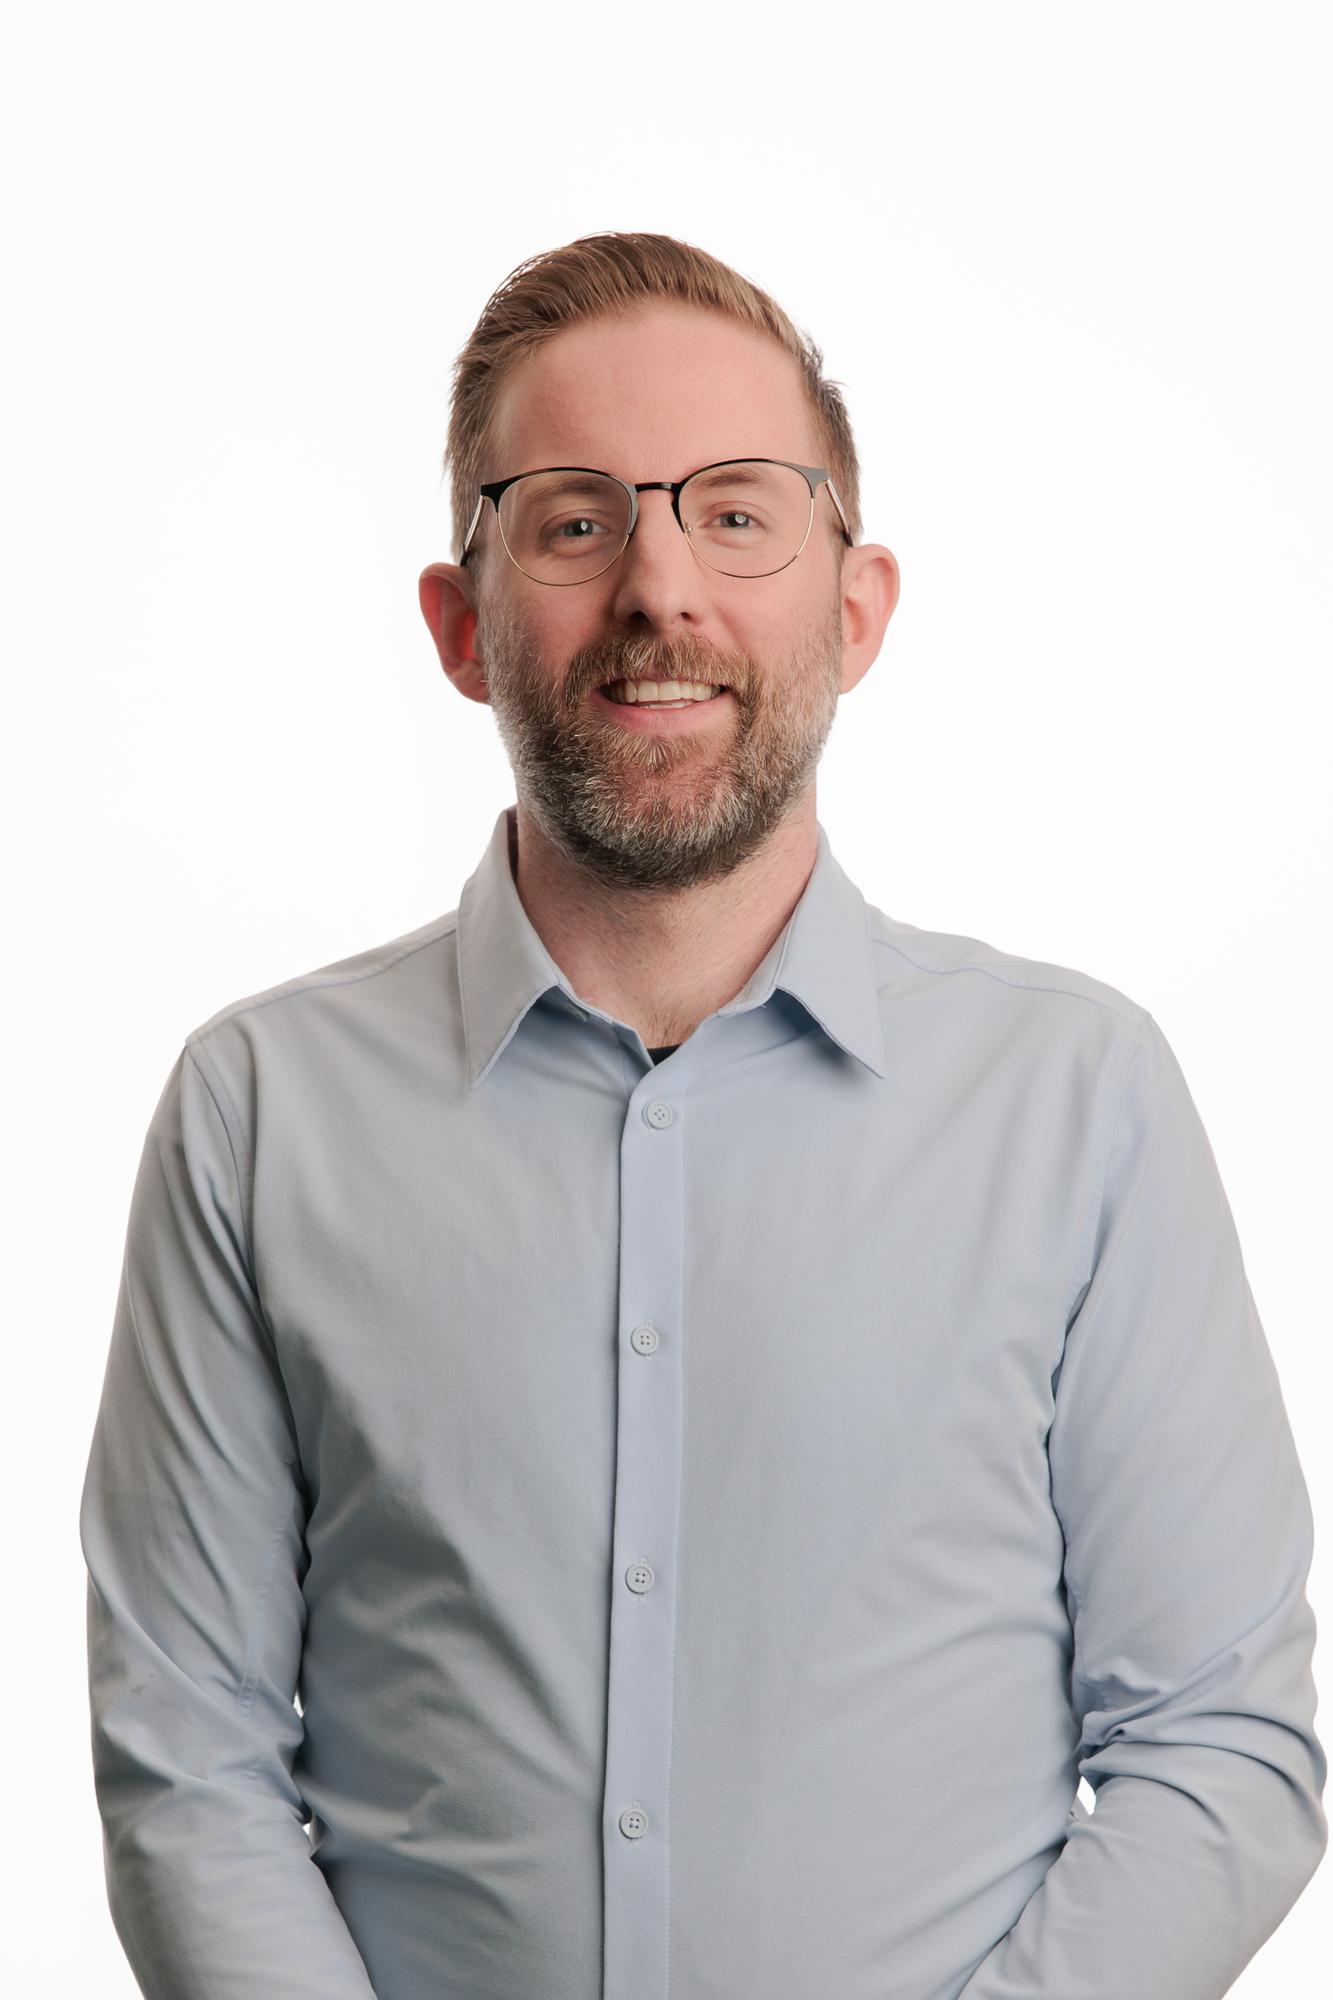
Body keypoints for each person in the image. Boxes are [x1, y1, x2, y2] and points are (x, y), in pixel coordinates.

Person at [79, 231, 1325, 2000]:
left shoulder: (1077, 1101)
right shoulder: (260, 1114)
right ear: (459, 624)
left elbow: (1220, 1747)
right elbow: (184, 1764)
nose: (661, 587)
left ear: (856, 604)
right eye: (574, 519)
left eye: (737, 512)